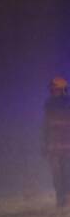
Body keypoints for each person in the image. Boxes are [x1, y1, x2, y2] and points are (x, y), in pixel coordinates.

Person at [42, 76, 70, 208]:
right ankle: (61, 199)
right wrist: (44, 145)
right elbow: (46, 127)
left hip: (67, 147)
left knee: (66, 172)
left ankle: (66, 198)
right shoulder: (48, 106)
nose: (53, 92)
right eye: (52, 90)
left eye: (56, 90)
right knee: (57, 175)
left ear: (63, 90)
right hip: (54, 148)